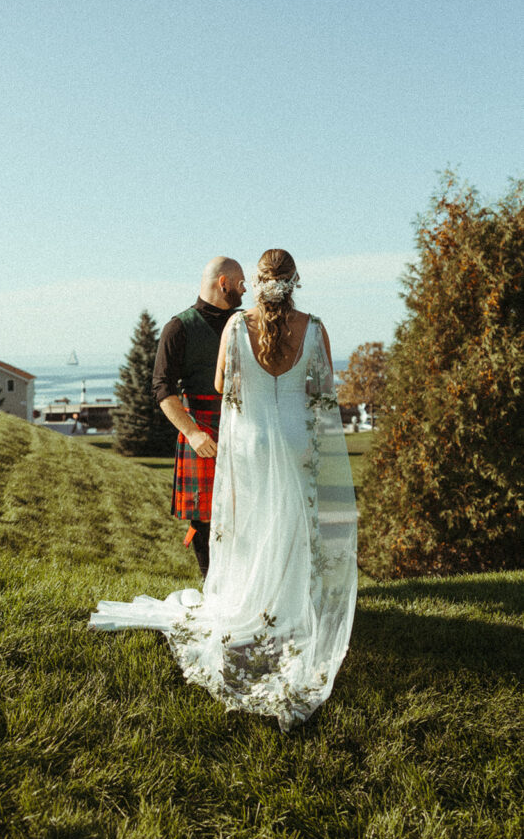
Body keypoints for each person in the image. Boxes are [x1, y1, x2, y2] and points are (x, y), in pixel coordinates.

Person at [90, 249, 357, 731]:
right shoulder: (314, 327)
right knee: (293, 523)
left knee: (251, 525)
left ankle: (251, 605)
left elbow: (220, 383)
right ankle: (291, 611)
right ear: (295, 281)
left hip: (250, 441)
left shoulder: (237, 327)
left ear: (254, 282)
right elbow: (324, 389)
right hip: (295, 440)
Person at [152, 256, 246, 577]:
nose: (245, 290)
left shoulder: (246, 322)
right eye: (240, 283)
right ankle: (212, 586)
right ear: (224, 284)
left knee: (245, 510)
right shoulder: (178, 328)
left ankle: (243, 584)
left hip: (244, 426)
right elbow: (162, 389)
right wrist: (192, 433)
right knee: (205, 516)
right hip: (202, 428)